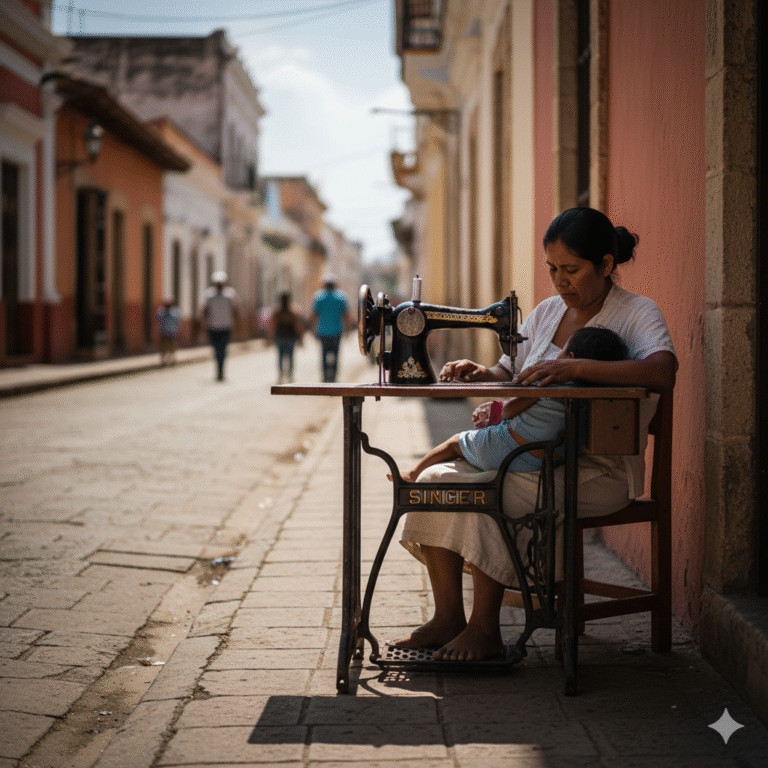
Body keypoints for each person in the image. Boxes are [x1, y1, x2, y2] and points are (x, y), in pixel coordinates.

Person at [396, 207, 678, 663]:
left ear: (606, 265)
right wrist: (481, 374)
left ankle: (485, 629)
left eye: (571, 270)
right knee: (434, 483)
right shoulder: (548, 313)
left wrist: (577, 367)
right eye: (552, 270)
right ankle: (448, 616)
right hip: (533, 456)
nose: (560, 282)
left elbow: (663, 371)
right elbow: (512, 373)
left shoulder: (636, 313)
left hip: (597, 470)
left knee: (490, 487)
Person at [394, 327, 628, 482]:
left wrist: (494, 413)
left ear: (570, 357)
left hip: (514, 453)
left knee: (455, 443)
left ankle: (412, 474)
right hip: (552, 458)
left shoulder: (547, 381)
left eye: (562, 351)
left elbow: (513, 407)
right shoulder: (594, 394)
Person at [309, 275, 350, 382]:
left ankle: (324, 377)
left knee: (323, 355)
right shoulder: (341, 297)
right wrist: (348, 330)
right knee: (336, 355)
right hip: (337, 331)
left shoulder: (318, 297)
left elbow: (313, 315)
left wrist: (311, 330)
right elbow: (346, 315)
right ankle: (334, 377)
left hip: (322, 332)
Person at [202, 271, 239, 382]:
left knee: (222, 350)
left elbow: (235, 310)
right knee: (216, 350)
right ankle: (218, 369)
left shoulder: (230, 295)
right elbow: (205, 311)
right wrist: (203, 325)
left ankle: (221, 370)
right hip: (213, 327)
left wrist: (237, 324)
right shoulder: (209, 295)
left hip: (225, 327)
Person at [268, 292, 304, 383]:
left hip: (280, 338)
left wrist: (268, 337)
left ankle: (281, 376)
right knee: (290, 357)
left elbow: (272, 325)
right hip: (290, 338)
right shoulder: (292, 312)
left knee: (281, 357)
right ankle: (289, 376)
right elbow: (298, 327)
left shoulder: (278, 312)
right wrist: (300, 338)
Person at [156, 297, 181, 366]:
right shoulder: (161, 312)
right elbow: (157, 319)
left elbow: (178, 321)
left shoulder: (175, 312)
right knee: (163, 348)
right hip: (164, 333)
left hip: (172, 333)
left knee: (172, 347)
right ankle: (163, 361)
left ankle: (172, 360)